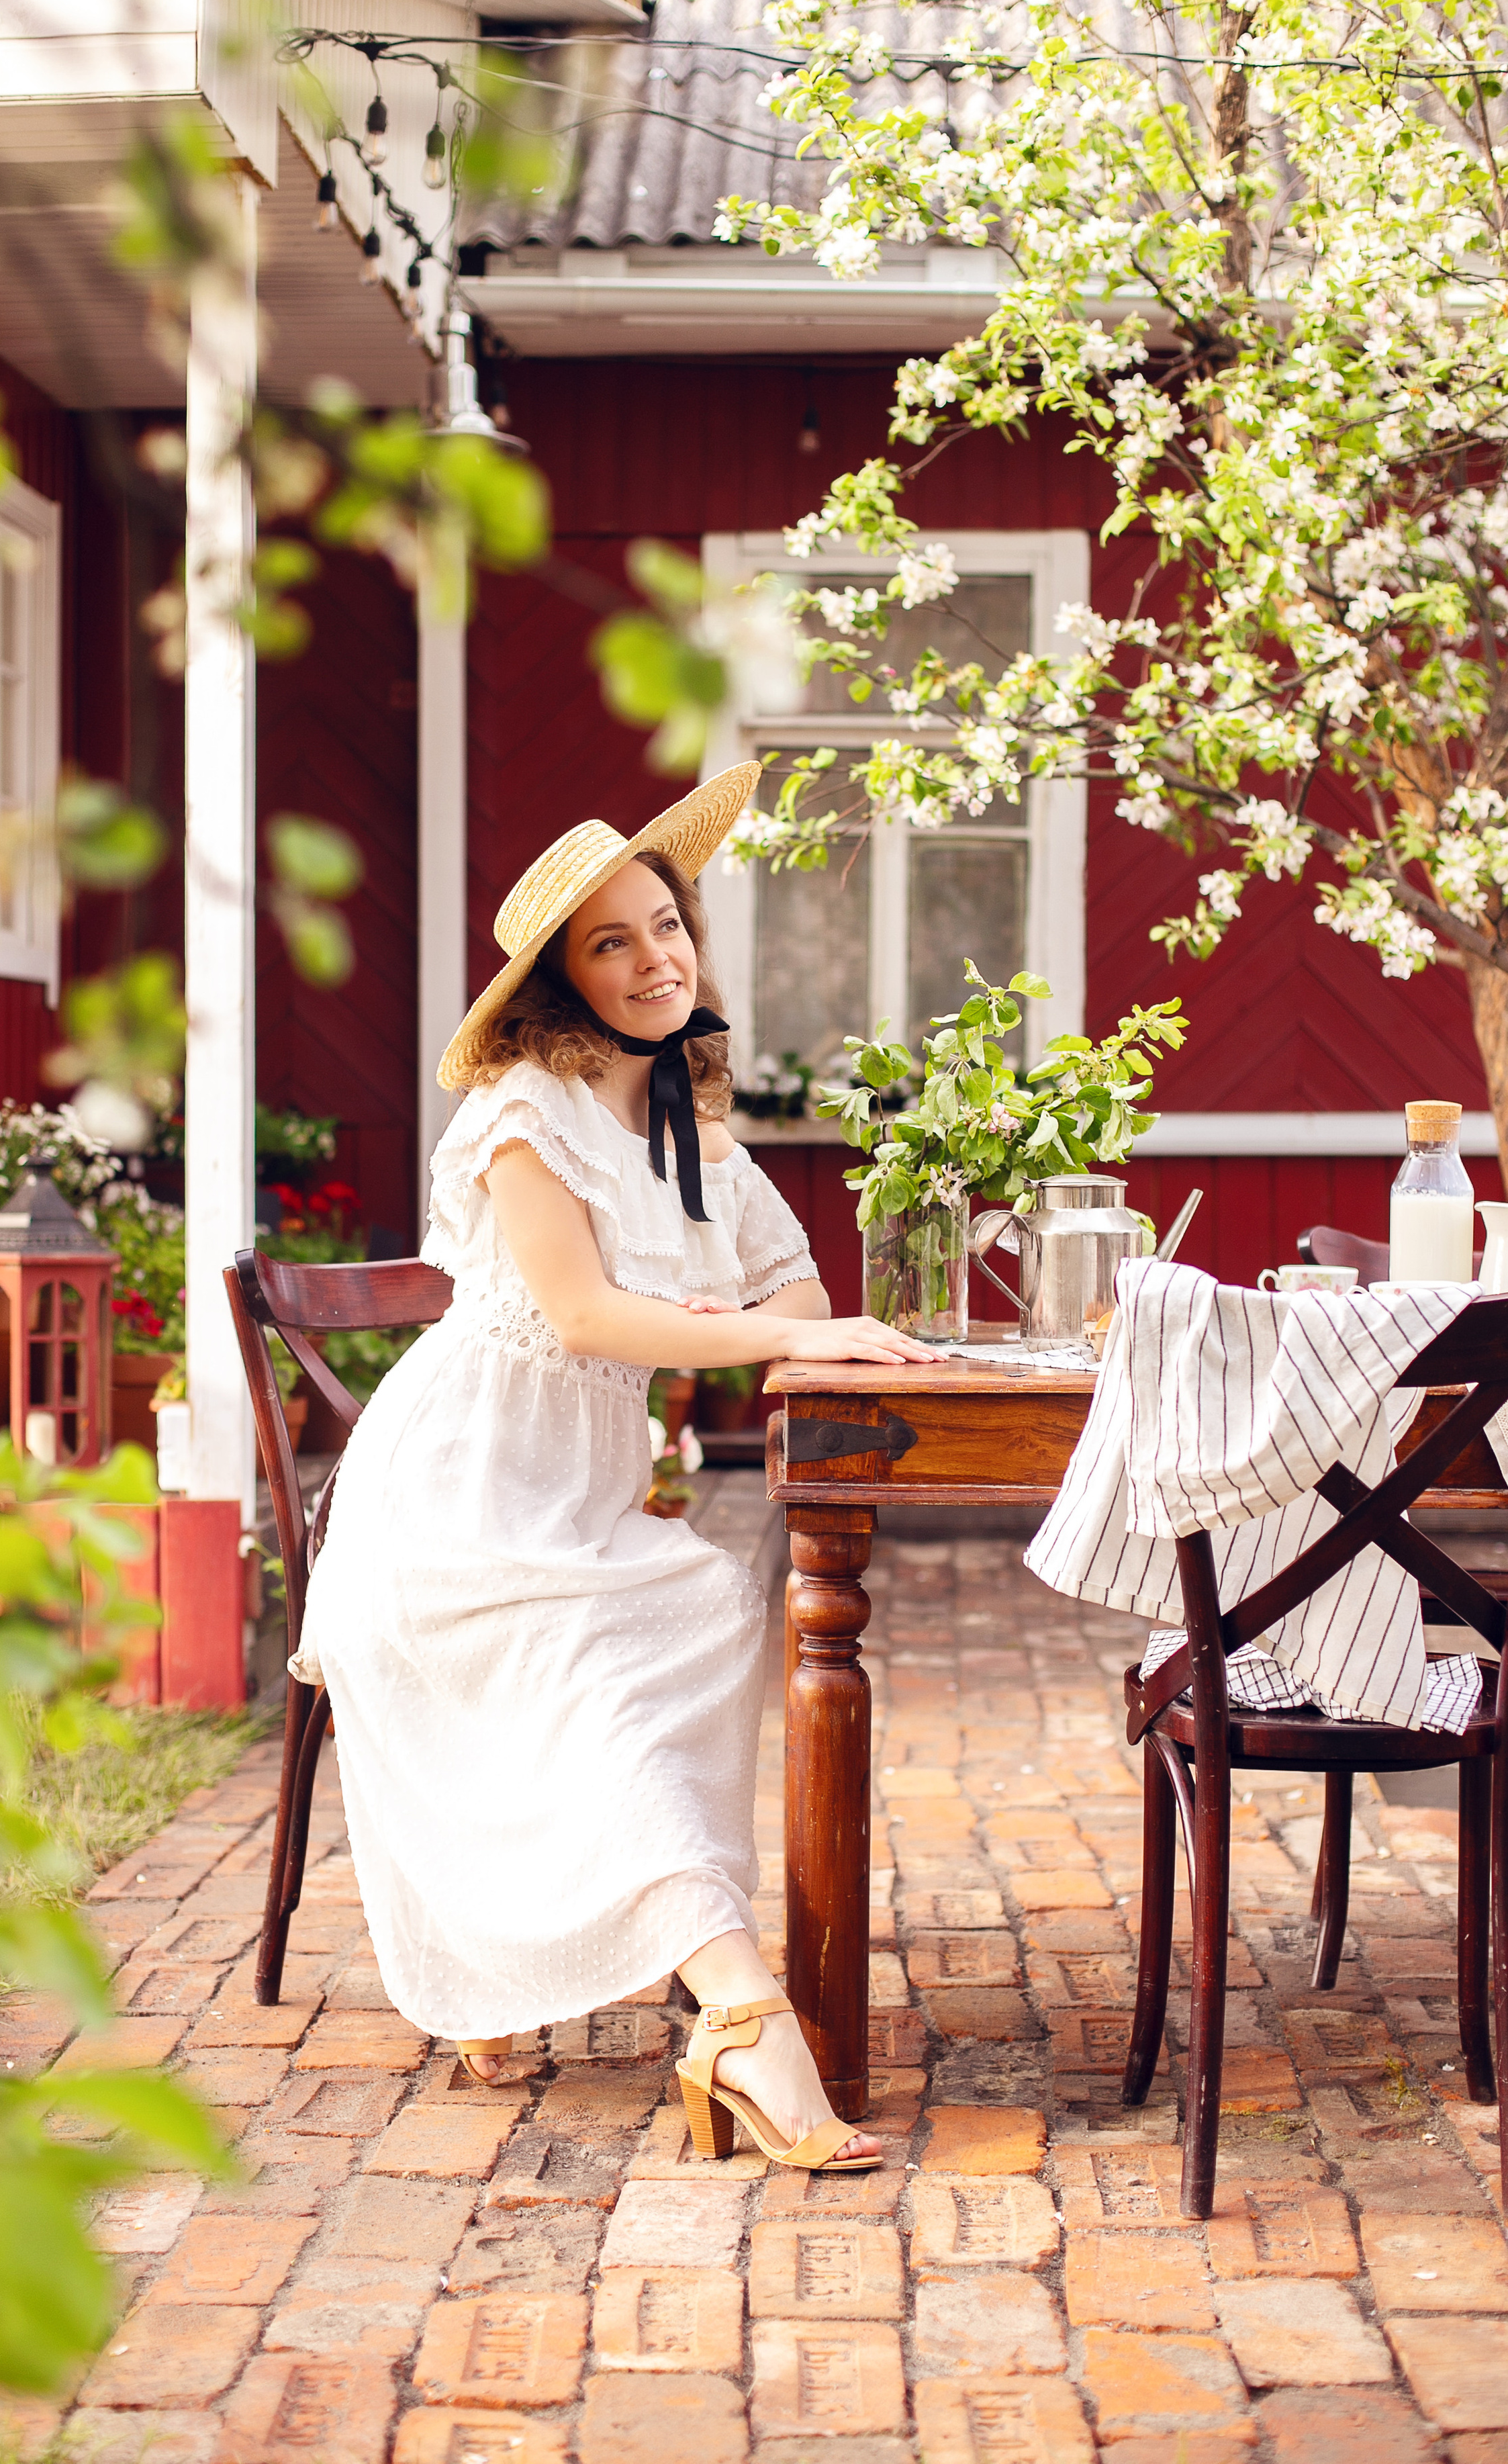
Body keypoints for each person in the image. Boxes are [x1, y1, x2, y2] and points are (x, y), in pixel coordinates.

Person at [291, 764, 944, 2173]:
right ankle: (744, 2025)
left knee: (707, 1606)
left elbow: (793, 1285)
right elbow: (583, 1317)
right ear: (555, 984)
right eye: (610, 943)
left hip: (578, 1496)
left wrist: (822, 1314)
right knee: (589, 1667)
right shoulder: (523, 1111)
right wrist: (775, 1324)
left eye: (664, 926)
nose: (653, 960)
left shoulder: (688, 1126)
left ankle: (563, 1945)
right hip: (456, 1492)